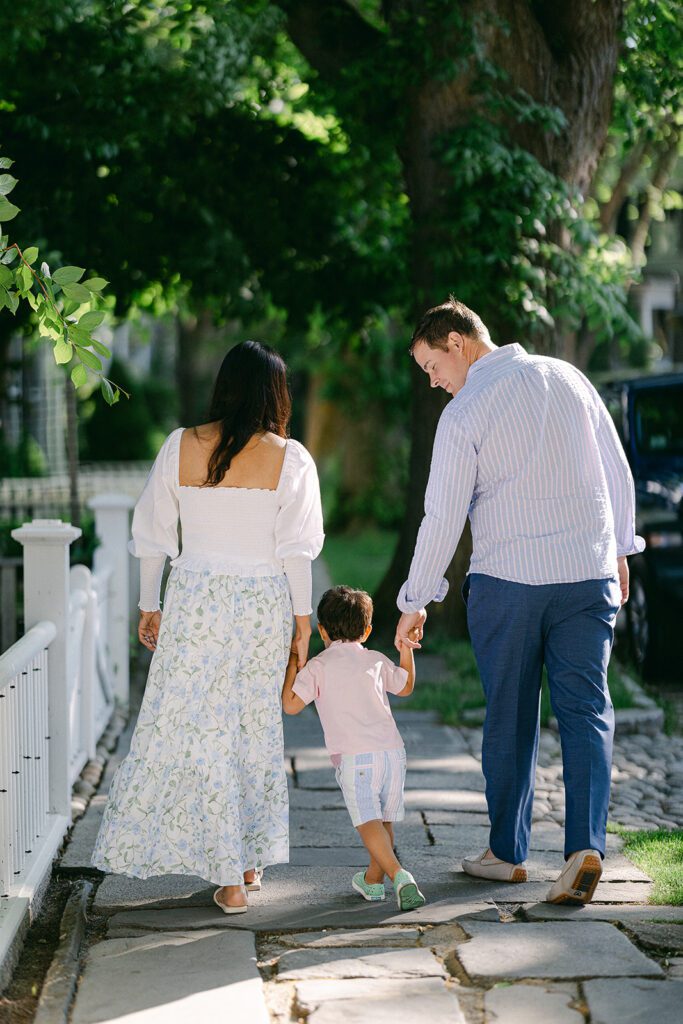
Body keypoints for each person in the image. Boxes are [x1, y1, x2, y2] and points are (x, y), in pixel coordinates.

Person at [394, 296, 644, 905]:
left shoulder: (464, 413)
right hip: (586, 575)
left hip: (509, 581)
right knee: (586, 709)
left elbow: (442, 514)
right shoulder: (569, 378)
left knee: (510, 714)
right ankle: (585, 848)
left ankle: (507, 855)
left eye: (432, 366)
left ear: (457, 342)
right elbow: (617, 470)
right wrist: (619, 550)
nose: (433, 383)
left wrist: (416, 598)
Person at [92, 341, 324, 914]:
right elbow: (297, 551)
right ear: (275, 393)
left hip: (195, 599)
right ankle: (239, 866)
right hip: (262, 605)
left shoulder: (181, 445)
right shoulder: (290, 458)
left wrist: (151, 603)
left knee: (200, 730)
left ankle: (233, 872)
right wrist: (302, 620)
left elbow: (152, 532)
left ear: (224, 385)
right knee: (251, 726)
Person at [282, 585, 426, 911]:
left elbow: (290, 705)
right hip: (392, 754)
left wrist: (294, 659)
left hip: (355, 758)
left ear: (321, 630)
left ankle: (399, 875)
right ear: (367, 630)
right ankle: (374, 882)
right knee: (383, 820)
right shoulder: (374, 660)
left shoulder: (318, 665)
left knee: (367, 821)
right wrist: (406, 648)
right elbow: (405, 686)